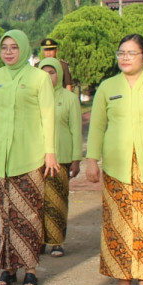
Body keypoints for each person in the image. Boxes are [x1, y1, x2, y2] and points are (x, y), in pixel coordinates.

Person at [86, 34, 143, 285]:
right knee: (118, 222)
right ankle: (122, 277)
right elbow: (97, 126)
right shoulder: (108, 87)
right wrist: (91, 160)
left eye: (132, 53)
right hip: (117, 166)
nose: (125, 58)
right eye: (121, 53)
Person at [0, 30, 58, 285]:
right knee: (1, 215)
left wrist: (50, 152)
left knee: (28, 214)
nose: (9, 52)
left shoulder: (38, 78)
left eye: (14, 47)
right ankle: (8, 268)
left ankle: (31, 269)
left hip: (30, 156)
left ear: (24, 48)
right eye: (5, 48)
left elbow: (48, 116)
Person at [38, 58, 83, 257]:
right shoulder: (34, 97)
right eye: (44, 72)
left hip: (61, 158)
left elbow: (76, 130)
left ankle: (57, 242)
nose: (48, 76)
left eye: (52, 72)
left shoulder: (69, 98)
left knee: (57, 201)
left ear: (60, 74)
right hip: (36, 158)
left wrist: (76, 159)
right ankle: (39, 241)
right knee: (38, 201)